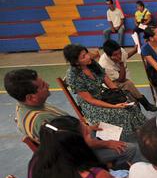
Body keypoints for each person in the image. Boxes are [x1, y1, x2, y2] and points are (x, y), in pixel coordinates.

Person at [4, 69, 138, 169]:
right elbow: (76, 144)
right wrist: (107, 143)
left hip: (79, 139)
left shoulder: (27, 106)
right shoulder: (41, 120)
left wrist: (88, 128)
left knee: (119, 132)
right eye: (43, 85)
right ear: (30, 97)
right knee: (132, 148)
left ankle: (118, 167)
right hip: (78, 156)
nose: (48, 85)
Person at [64, 44, 146, 141]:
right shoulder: (73, 76)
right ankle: (126, 139)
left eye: (86, 53)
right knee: (121, 112)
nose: (88, 56)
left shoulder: (91, 64)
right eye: (83, 57)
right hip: (92, 106)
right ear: (76, 62)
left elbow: (107, 80)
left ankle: (141, 131)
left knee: (131, 105)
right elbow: (91, 100)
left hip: (103, 95)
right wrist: (114, 106)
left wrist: (119, 95)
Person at [99, 39, 157, 111]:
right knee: (129, 87)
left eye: (119, 53)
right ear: (108, 56)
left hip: (123, 79)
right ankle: (146, 105)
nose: (119, 56)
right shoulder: (104, 65)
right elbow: (121, 80)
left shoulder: (120, 51)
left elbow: (125, 56)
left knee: (133, 97)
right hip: (111, 85)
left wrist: (134, 50)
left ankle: (143, 109)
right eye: (115, 55)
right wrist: (121, 64)